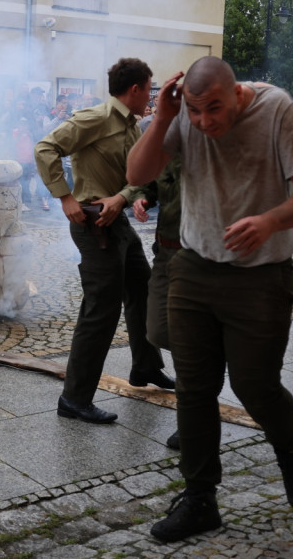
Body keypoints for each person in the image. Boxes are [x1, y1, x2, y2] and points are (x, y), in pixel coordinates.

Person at [125, 56, 293, 542]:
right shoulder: (183, 118)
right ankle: (200, 498)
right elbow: (138, 170)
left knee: (255, 386)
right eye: (195, 111)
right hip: (193, 268)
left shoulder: (276, 110)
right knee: (194, 389)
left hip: (260, 275)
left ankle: (290, 447)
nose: (204, 122)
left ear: (236, 94)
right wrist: (166, 118)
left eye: (213, 109)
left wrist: (270, 222)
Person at [34, 57, 172, 426]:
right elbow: (45, 148)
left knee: (141, 289)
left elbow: (138, 174)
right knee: (101, 310)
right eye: (149, 87)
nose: (151, 94)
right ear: (135, 89)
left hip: (118, 221)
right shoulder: (94, 118)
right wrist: (64, 197)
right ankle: (74, 399)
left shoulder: (132, 125)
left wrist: (130, 197)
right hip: (93, 223)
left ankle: (145, 365)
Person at [132, 154, 183, 447]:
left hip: (200, 255)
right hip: (165, 251)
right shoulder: (170, 146)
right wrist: (142, 199)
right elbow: (149, 185)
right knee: (158, 329)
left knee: (188, 336)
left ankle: (192, 417)